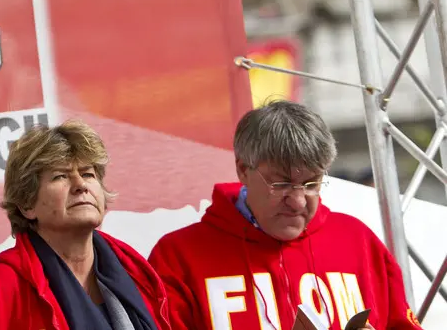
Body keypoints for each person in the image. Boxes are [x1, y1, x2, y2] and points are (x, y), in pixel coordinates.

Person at [148, 100, 422, 330]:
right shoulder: (177, 258)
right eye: (281, 184)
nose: (298, 201)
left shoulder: (357, 240)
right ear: (243, 170)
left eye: (312, 184)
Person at [0, 119, 171, 330]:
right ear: (27, 204)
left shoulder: (136, 273)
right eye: (60, 176)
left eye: (88, 174)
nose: (81, 185)